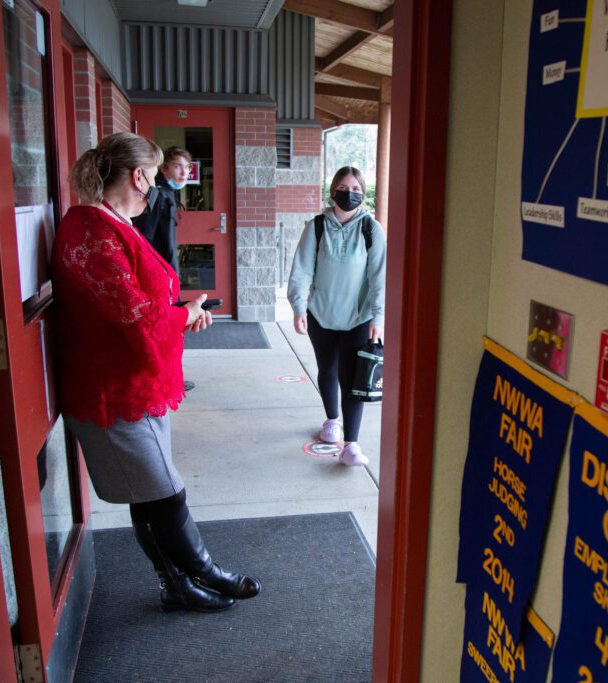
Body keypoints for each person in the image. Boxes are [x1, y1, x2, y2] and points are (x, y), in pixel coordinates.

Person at [53, 132, 260, 612]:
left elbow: (140, 304)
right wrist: (182, 315)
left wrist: (184, 311)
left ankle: (176, 585)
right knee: (165, 492)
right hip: (113, 391)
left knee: (146, 493)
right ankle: (204, 571)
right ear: (140, 175)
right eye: (153, 174)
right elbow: (136, 317)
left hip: (132, 384)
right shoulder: (93, 231)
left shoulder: (109, 223)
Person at [287, 166, 386, 467]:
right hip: (321, 315)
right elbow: (302, 269)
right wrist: (298, 307)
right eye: (344, 188)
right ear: (333, 191)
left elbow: (379, 277)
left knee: (352, 378)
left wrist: (379, 318)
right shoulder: (316, 226)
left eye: (357, 189)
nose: (350, 194)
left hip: (359, 319)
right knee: (327, 370)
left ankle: (351, 445)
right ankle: (332, 421)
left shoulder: (371, 229)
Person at [133, 145, 197, 391]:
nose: (184, 172)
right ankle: (167, 379)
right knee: (167, 328)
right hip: (158, 273)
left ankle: (173, 377)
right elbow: (147, 238)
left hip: (167, 271)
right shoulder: (158, 194)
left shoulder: (169, 193)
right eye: (178, 166)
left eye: (187, 167)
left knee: (173, 328)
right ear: (164, 168)